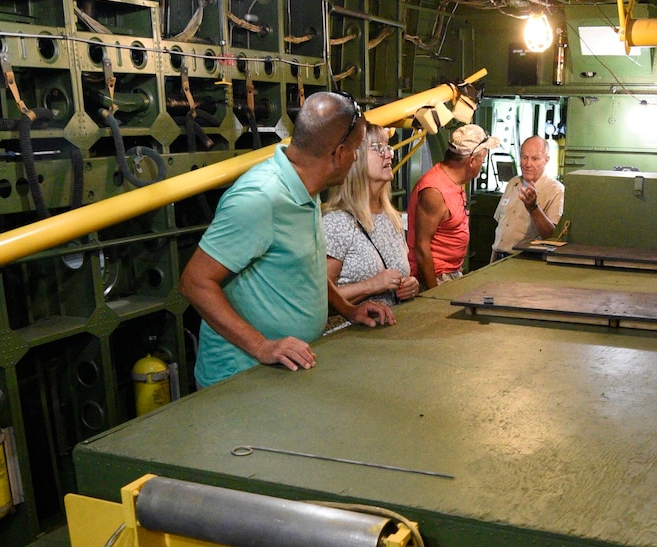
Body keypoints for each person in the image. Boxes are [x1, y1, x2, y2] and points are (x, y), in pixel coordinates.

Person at [180, 92, 393, 385]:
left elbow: (305, 270)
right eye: (356, 149)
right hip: (239, 377)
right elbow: (194, 282)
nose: (356, 157)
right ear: (339, 153)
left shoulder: (308, 190)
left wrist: (348, 310)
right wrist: (261, 345)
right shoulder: (260, 198)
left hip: (284, 370)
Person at [323, 126, 420, 307]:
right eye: (377, 148)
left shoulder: (391, 218)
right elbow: (319, 298)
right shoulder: (337, 223)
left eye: (388, 147)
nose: (390, 155)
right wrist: (371, 286)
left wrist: (410, 286)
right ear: (353, 157)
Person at [407, 122, 494, 289]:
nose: (482, 165)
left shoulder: (455, 182)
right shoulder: (434, 191)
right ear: (472, 161)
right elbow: (421, 246)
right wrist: (433, 294)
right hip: (437, 277)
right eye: (482, 159)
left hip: (451, 273)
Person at [492, 134, 565, 257]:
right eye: (524, 157)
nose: (527, 164)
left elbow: (553, 237)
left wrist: (533, 208)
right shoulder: (513, 183)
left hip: (524, 261)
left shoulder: (556, 190)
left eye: (535, 159)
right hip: (498, 258)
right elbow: (501, 226)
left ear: (546, 160)